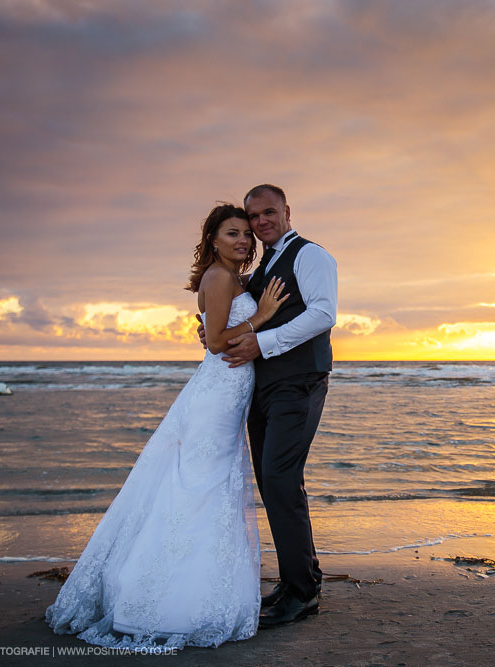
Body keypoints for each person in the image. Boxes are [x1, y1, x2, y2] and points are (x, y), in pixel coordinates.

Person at [47, 204, 289, 650]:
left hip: (229, 394)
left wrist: (250, 317)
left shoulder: (234, 279)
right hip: (216, 396)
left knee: (210, 485)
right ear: (212, 240)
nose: (242, 240)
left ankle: (198, 587)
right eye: (231, 233)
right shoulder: (218, 277)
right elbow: (216, 341)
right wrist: (264, 314)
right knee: (200, 485)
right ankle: (165, 598)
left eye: (245, 235)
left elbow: (215, 333)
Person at [208, 183, 337, 628]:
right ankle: (297, 579)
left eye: (268, 213)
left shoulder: (310, 255)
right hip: (264, 388)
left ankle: (303, 595)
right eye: (253, 216)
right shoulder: (266, 263)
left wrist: (263, 344)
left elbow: (323, 314)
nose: (261, 222)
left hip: (298, 382)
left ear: (286, 211)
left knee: (281, 481)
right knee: (273, 482)